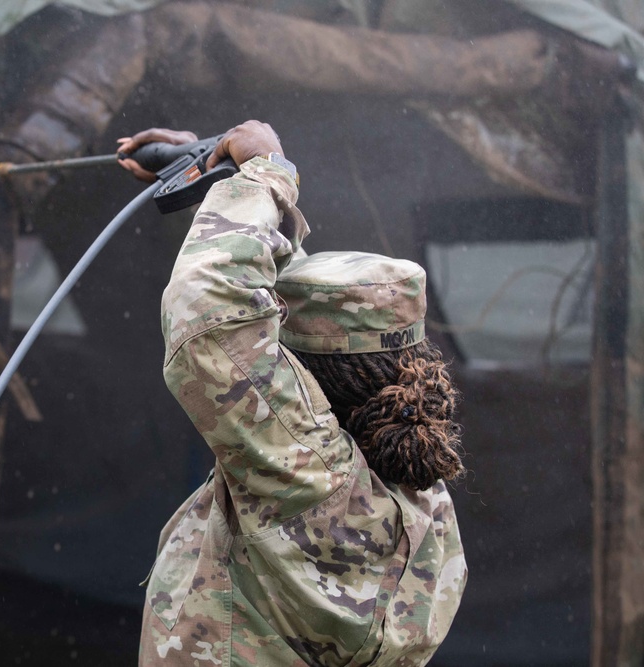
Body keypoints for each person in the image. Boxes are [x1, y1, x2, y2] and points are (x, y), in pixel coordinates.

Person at [117, 121, 467, 666]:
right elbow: (290, 308)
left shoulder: (313, 480)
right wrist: (226, 181)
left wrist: (268, 175)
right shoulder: (401, 482)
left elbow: (211, 314)